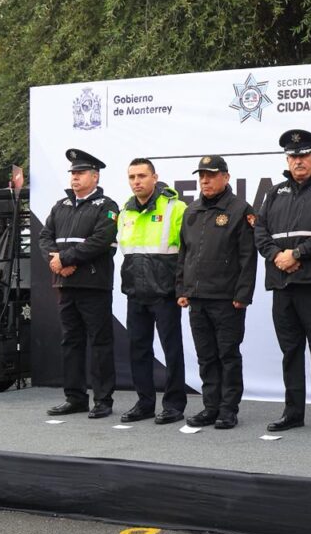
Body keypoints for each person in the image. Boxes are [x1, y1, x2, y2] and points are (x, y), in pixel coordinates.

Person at [254, 130, 311, 434]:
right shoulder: (274, 192)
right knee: (290, 351)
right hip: (282, 284)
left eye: (305, 155)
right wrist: (277, 256)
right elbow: (260, 232)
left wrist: (297, 254)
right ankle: (293, 412)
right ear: (287, 160)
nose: (299, 161)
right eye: (293, 156)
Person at [176, 155, 257, 430]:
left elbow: (248, 257)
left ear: (226, 177)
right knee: (206, 356)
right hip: (197, 298)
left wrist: (243, 295)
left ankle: (228, 409)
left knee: (228, 355)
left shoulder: (240, 209)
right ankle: (210, 407)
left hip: (227, 299)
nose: (205, 180)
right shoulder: (191, 210)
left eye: (211, 175)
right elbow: (184, 253)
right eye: (201, 176)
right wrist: (182, 288)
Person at [39, 149, 120, 418]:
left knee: (100, 343)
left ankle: (103, 400)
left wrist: (66, 259)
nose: (75, 177)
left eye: (81, 173)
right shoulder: (60, 206)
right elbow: (44, 237)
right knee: (70, 342)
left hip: (93, 284)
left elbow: (100, 241)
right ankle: (75, 398)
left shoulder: (107, 206)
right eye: (73, 173)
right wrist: (56, 261)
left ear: (95, 177)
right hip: (65, 284)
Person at [117, 158, 188, 424]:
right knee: (138, 350)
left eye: (142, 176)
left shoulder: (175, 207)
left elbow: (187, 252)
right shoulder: (125, 211)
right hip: (135, 292)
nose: (136, 182)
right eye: (132, 177)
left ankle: (174, 405)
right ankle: (144, 403)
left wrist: (181, 288)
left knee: (172, 350)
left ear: (154, 178)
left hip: (165, 292)